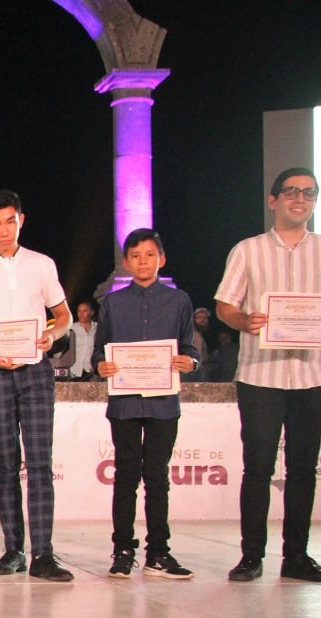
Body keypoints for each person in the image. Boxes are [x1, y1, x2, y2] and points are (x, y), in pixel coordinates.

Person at [214, 167, 321, 583]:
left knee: (303, 469)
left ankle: (296, 556)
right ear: (273, 200)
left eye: (309, 193)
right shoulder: (248, 250)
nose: (300, 199)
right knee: (257, 467)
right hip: (261, 373)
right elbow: (226, 306)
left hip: (313, 372)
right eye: (292, 192)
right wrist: (248, 321)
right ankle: (251, 556)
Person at [0, 189, 73, 581]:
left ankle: (44, 554)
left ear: (21, 219)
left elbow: (63, 316)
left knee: (39, 464)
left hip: (35, 370)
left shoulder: (42, 264)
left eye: (10, 221)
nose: (4, 230)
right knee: (6, 464)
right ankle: (13, 551)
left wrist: (51, 336)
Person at [91, 228, 199, 580]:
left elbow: (190, 348)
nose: (143, 262)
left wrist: (190, 362)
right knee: (125, 476)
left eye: (150, 255)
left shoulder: (179, 300)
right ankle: (122, 550)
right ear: (126, 262)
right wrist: (99, 366)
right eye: (135, 256)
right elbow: (98, 351)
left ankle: (158, 552)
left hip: (164, 402)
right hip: (124, 402)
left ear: (161, 259)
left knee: (157, 478)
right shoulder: (111, 303)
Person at [69, 300, 97, 379]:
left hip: (91, 370)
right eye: (79, 311)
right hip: (74, 370)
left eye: (84, 311)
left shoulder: (97, 328)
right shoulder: (72, 328)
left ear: (91, 313)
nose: (81, 314)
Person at [187, 306, 211, 381]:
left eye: (205, 318)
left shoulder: (199, 336)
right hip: (193, 373)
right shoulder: (192, 335)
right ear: (194, 319)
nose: (203, 320)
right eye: (199, 317)